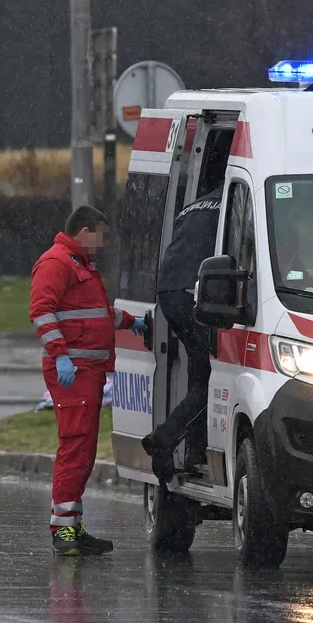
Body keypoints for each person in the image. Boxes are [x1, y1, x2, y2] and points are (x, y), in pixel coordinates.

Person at [31, 205, 147, 556]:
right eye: (102, 236)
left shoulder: (79, 266)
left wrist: (129, 321)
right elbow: (41, 311)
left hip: (86, 373)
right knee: (75, 448)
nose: (105, 244)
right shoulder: (57, 263)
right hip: (74, 372)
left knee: (83, 451)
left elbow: (95, 313)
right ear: (85, 231)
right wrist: (60, 354)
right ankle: (62, 530)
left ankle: (72, 524)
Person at [141, 186, 224, 482]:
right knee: (212, 378)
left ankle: (194, 451)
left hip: (169, 290)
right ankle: (165, 438)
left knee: (199, 367)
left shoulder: (196, 205)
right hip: (195, 292)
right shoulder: (238, 199)